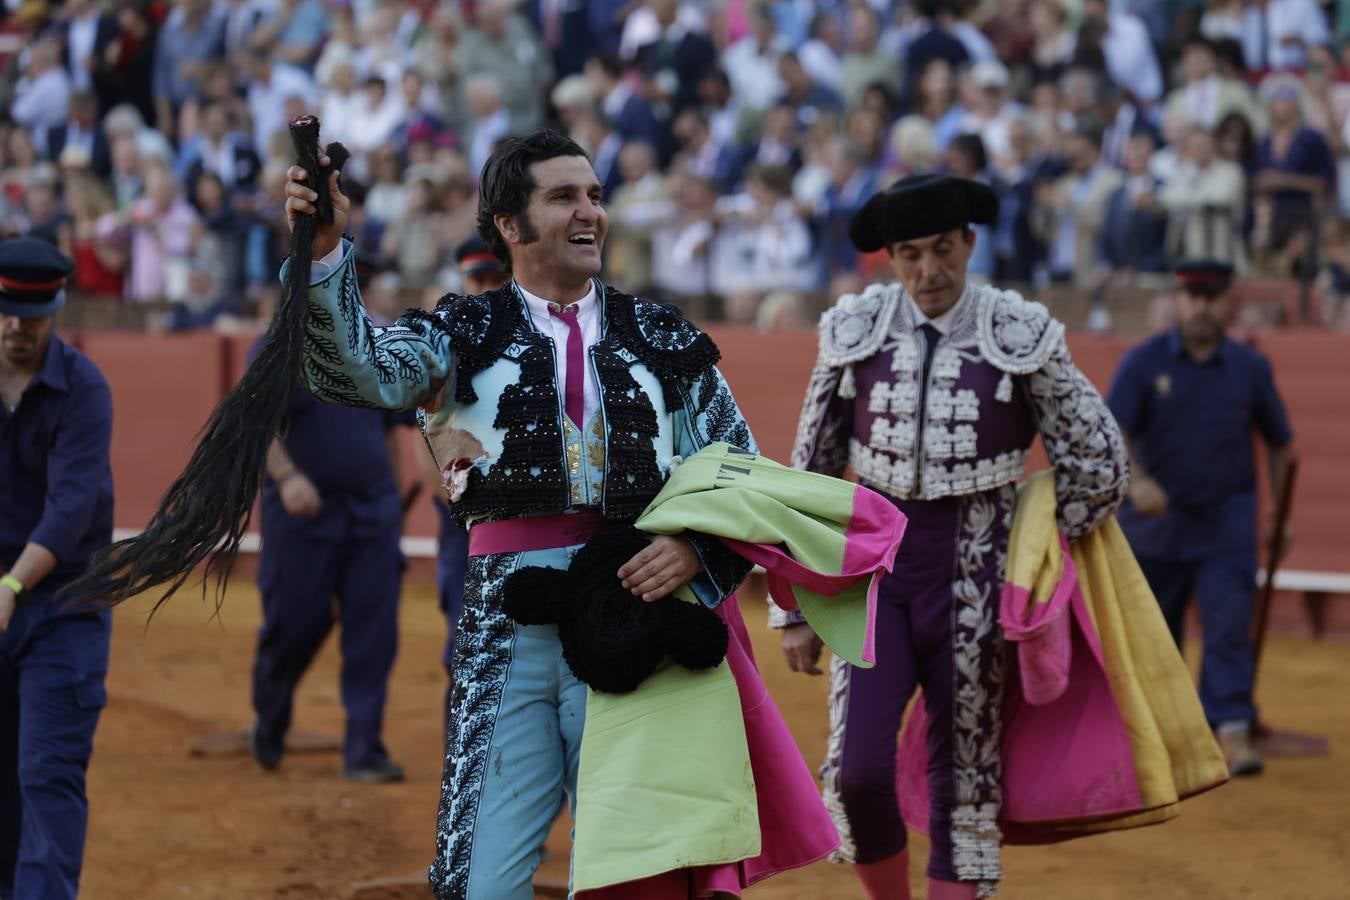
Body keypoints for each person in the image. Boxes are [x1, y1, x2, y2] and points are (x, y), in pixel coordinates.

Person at [283, 131, 801, 897]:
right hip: (506, 629)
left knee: (639, 880)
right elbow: (357, 374)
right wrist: (326, 255)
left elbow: (739, 471)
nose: (589, 211)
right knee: (479, 883)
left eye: (593, 194)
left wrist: (698, 549)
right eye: (563, 197)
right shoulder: (459, 332)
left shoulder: (664, 339)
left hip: (637, 618)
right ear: (509, 224)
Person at [775, 174, 1129, 899]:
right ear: (890, 258)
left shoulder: (1016, 332)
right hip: (877, 577)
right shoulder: (857, 328)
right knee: (856, 771)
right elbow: (809, 470)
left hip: (977, 575)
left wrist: (1036, 544)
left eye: (943, 250)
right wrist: (795, 605)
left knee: (963, 781)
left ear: (969, 243)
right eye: (910, 255)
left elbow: (1100, 464)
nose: (928, 272)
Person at [1107, 259, 1294, 777]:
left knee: (1229, 626)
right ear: (1178, 300)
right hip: (1155, 527)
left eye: (1211, 297)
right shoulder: (1143, 362)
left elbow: (1280, 441)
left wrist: (1282, 512)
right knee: (1155, 638)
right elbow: (1113, 433)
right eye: (1192, 297)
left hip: (1226, 524)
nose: (1201, 307)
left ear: (1227, 302)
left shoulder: (1249, 367)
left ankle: (1230, 728)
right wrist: (1137, 480)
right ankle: (1161, 737)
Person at [247, 261, 414, 782]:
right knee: (292, 624)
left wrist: (391, 505)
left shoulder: (380, 339)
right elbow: (258, 427)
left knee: (374, 631)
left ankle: (363, 747)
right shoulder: (279, 344)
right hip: (302, 514)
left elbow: (392, 431)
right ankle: (270, 720)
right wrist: (287, 477)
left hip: (370, 513)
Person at [0, 237, 114, 899]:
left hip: (63, 601)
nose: (19, 327)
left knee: (47, 772)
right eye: (9, 311)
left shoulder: (83, 387)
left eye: (34, 314)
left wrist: (13, 584)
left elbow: (71, 507)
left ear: (57, 309)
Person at [428, 236, 509, 684]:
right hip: (463, 517)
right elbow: (425, 441)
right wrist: (453, 504)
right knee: (465, 646)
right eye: (477, 279)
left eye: (497, 279)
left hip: (523, 514)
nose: (486, 289)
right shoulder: (448, 344)